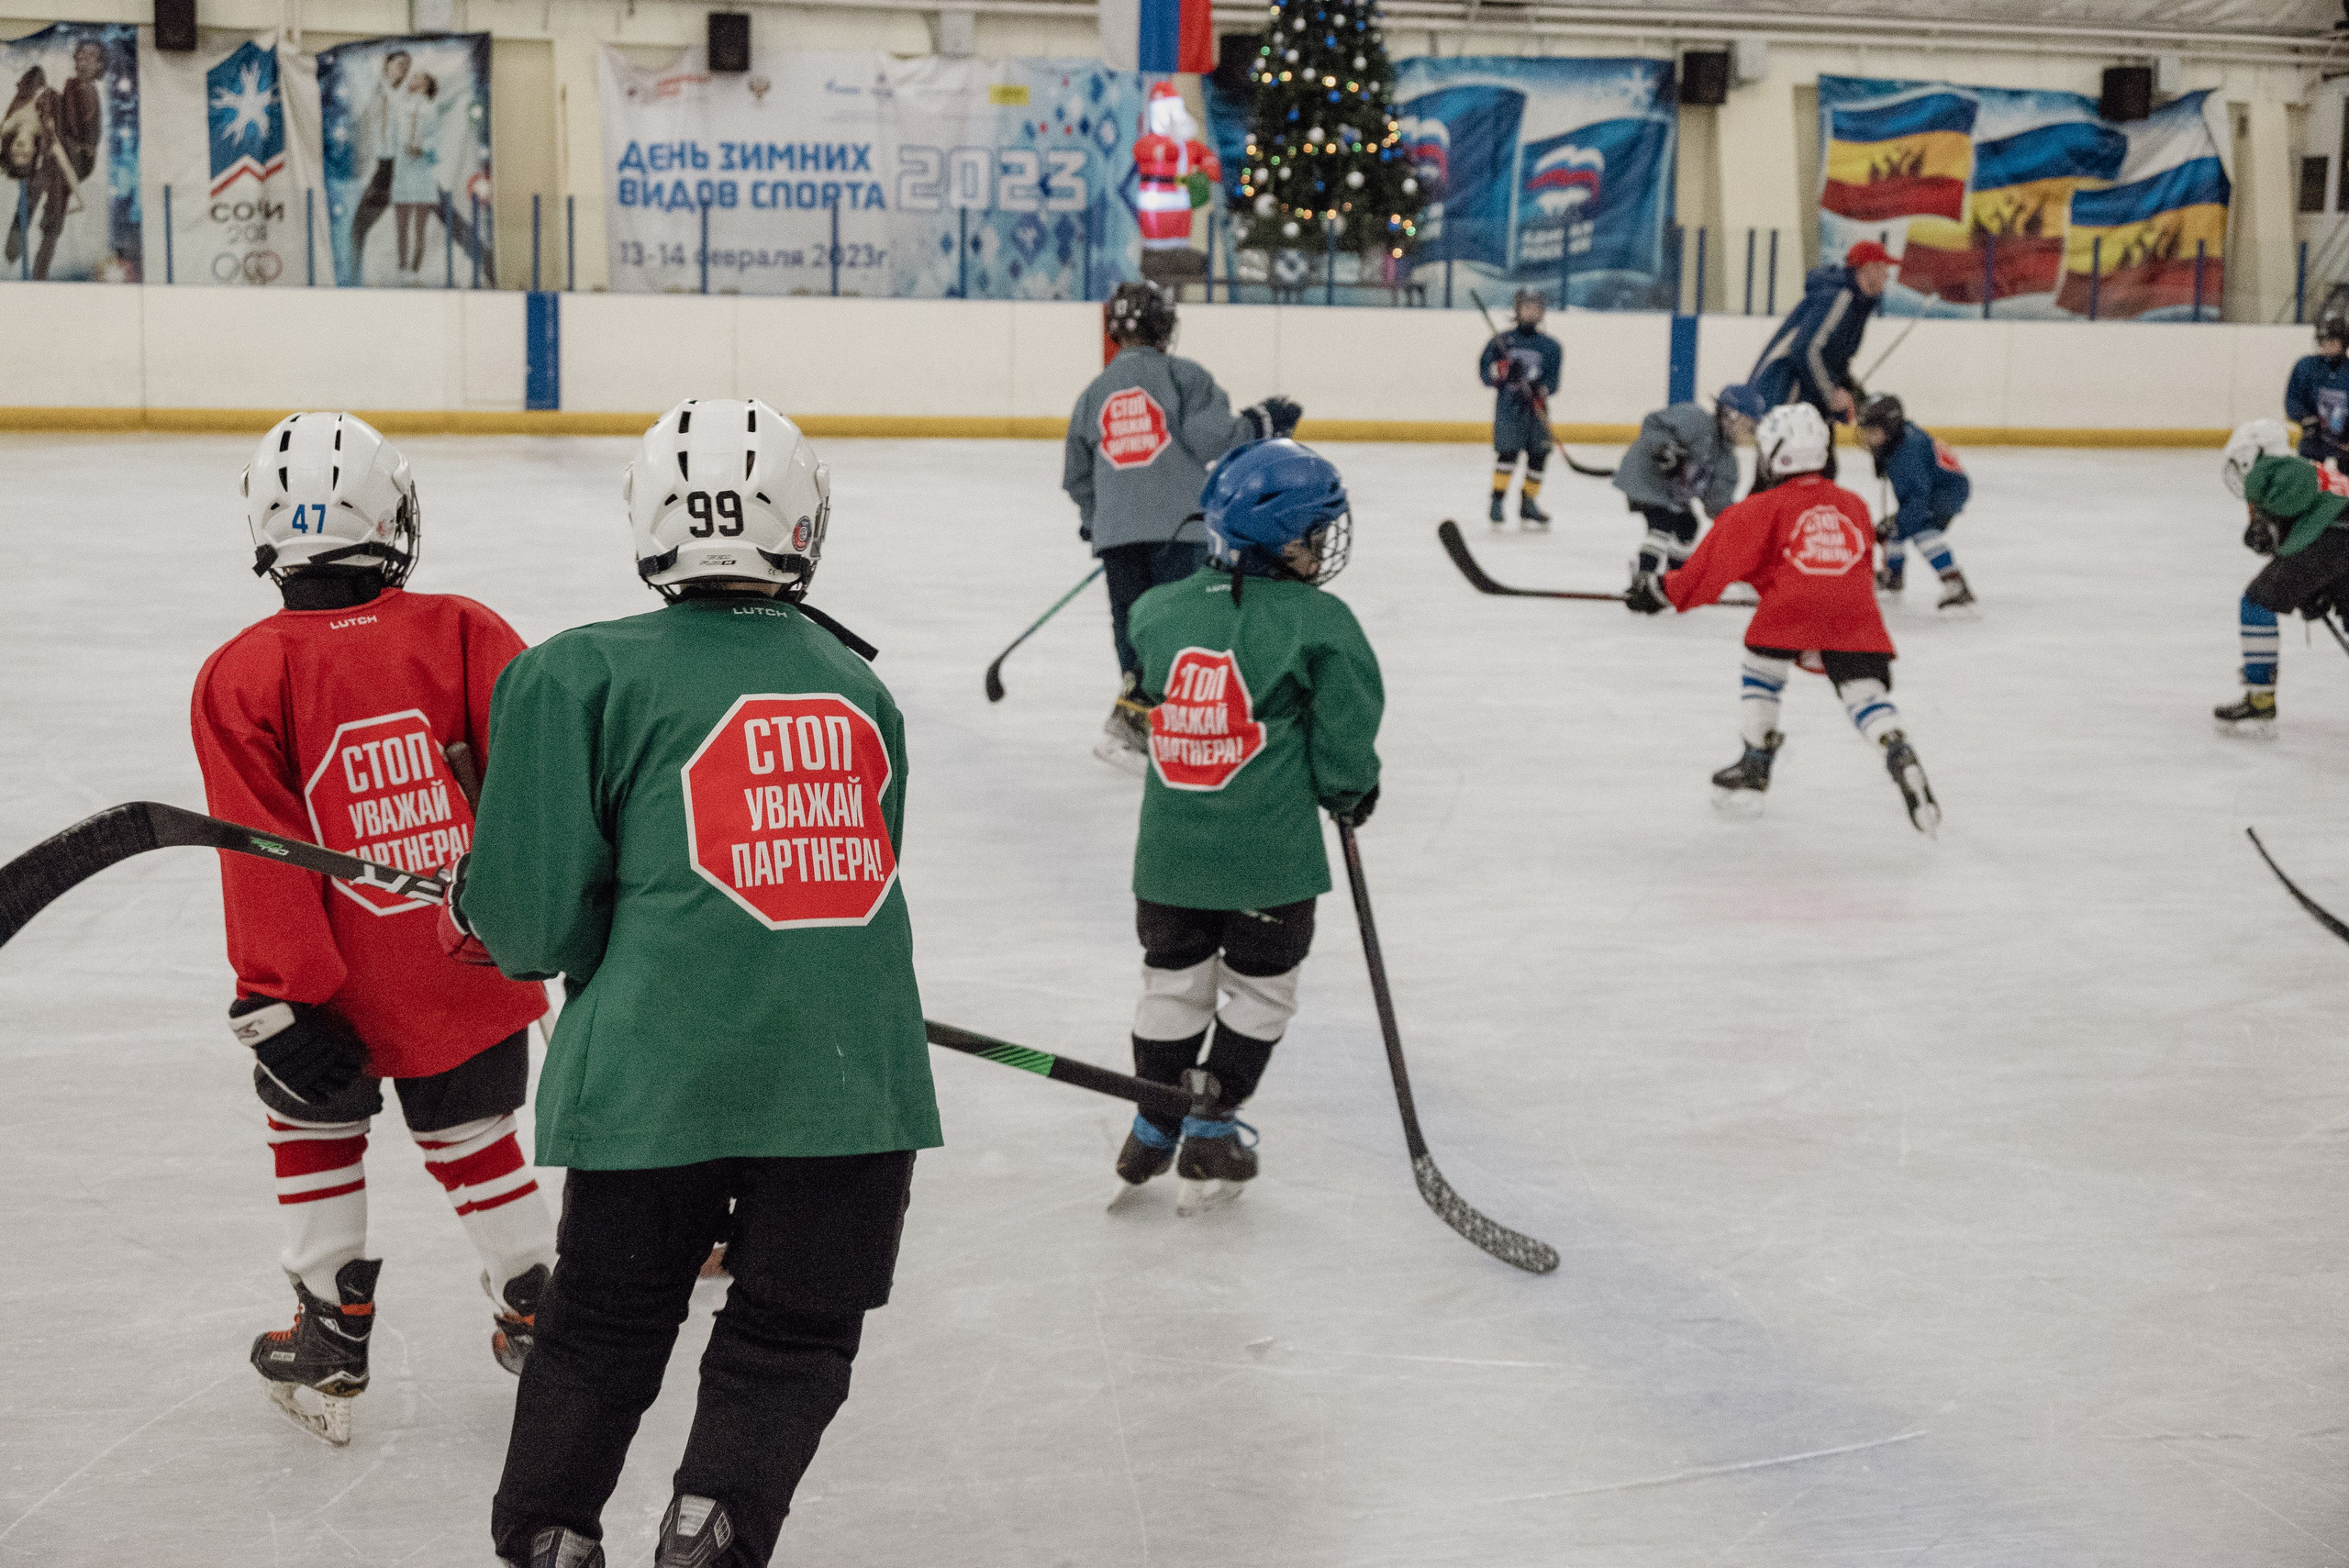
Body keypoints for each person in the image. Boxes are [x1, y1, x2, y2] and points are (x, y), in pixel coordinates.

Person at [446, 398, 941, 1568]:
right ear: (803, 525)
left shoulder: (575, 674)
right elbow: (847, 881)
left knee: (605, 1323)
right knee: (795, 1332)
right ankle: (713, 1528)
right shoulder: (858, 686)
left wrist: (480, 895)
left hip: (656, 1086)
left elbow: (527, 925)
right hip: (848, 1083)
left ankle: (549, 1536)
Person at [189, 413, 556, 1448]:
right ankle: (539, 1303)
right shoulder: (465, 629)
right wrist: (544, 916)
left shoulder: (241, 672)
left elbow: (260, 847)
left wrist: (276, 989)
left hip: (334, 976)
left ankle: (327, 1330)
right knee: (475, 1136)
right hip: (468, 954)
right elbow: (538, 790)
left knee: (313, 1124)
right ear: (393, 517)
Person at [1110, 439, 1383, 1213]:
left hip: (1169, 859)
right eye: (1315, 532)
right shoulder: (1321, 623)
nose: (1323, 545)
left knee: (1173, 982)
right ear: (1286, 539)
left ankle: (1153, 1123)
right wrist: (1351, 790)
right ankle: (1211, 1126)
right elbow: (1344, 739)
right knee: (1259, 994)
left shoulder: (1156, 610)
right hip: (1270, 862)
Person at [1627, 403, 1939, 834]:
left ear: (1772, 453)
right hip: (1856, 615)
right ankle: (1895, 744)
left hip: (1789, 611)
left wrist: (1660, 591)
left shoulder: (1761, 508)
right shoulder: (1854, 505)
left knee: (1762, 665)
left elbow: (1710, 569)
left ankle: (1756, 761)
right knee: (1863, 693)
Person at [1064, 282, 1300, 772]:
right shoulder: (1182, 376)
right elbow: (1214, 437)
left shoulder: (1092, 394)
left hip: (1119, 534)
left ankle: (1139, 721)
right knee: (1182, 621)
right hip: (1181, 528)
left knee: (1134, 624)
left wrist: (1096, 521)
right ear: (1165, 327)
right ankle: (1160, 722)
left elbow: (1077, 475)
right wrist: (1262, 422)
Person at [2214, 430, 2349, 736]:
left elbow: (2292, 528)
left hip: (2334, 537)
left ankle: (2260, 696)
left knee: (2257, 601)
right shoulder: (2310, 469)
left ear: (2250, 455)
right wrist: (2312, 588)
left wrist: (2264, 522)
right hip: (2338, 535)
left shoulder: (2274, 469)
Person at [1610, 383, 1760, 589]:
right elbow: (1653, 423)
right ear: (1731, 414)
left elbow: (1716, 502)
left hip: (1672, 495)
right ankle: (1644, 577)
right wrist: (1663, 447)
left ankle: (1675, 579)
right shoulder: (1694, 418)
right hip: (1647, 477)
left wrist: (1736, 522)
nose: (1750, 432)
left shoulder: (1726, 461)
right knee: (1662, 522)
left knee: (1688, 524)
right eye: (1748, 424)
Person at [1750, 239, 1891, 440]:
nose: (1887, 275)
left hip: (1803, 397)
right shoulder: (1841, 296)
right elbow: (1805, 349)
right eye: (1882, 268)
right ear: (1868, 268)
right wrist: (1831, 394)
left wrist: (1852, 393)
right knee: (1795, 463)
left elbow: (1833, 358)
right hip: (1785, 391)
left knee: (1821, 463)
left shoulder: (1857, 304)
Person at [1854, 394, 1976, 611]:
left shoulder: (1907, 453)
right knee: (1896, 527)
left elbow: (1918, 497)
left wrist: (1901, 525)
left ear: (1889, 428)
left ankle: (1955, 584)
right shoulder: (1899, 440)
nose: (1868, 438)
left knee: (1920, 531)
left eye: (1873, 432)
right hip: (1933, 489)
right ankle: (1893, 577)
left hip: (1946, 492)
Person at [1479, 288, 1563, 526]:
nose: (1531, 311)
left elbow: (1554, 381)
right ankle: (1497, 500)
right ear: (1517, 309)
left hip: (1536, 410)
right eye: (1527, 306)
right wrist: (1503, 371)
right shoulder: (1502, 341)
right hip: (1509, 409)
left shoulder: (1552, 347)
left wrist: (1541, 389)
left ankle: (1529, 503)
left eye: (1536, 307)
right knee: (1507, 454)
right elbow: (1486, 372)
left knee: (1539, 456)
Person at [349, 50, 411, 264]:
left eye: (406, 66)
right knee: (359, 226)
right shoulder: (376, 91)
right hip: (377, 166)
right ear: (387, 64)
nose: (402, 69)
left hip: (393, 167)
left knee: (365, 225)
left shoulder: (404, 97)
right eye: (399, 63)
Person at [2284, 312, 2349, 469]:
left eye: (2332, 341)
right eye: (2322, 341)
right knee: (2308, 483)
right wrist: (2306, 419)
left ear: (2344, 342)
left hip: (2344, 447)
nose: (2325, 346)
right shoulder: (2306, 366)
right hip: (2313, 444)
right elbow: (2292, 399)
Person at [392, 71, 441, 276]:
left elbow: (436, 140)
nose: (416, 79)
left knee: (419, 228)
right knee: (401, 227)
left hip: (421, 172)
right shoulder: (401, 107)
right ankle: (402, 266)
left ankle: (415, 268)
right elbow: (394, 136)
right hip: (403, 171)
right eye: (414, 76)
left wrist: (423, 149)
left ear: (428, 85)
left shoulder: (431, 109)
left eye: (422, 78)